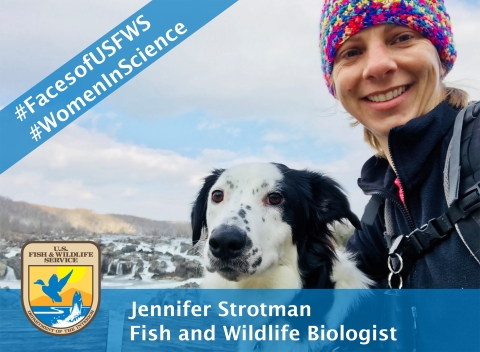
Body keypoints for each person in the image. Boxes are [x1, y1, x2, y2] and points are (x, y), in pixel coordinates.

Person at [319, 0, 480, 288]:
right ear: (335, 83)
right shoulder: (382, 209)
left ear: (441, 58)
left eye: (403, 38)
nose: (378, 66)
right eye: (352, 52)